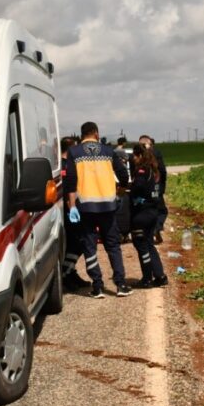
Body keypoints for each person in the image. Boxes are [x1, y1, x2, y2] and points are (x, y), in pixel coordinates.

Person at [64, 122, 131, 298]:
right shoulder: (108, 151)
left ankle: (98, 286)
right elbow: (123, 173)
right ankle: (121, 284)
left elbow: (70, 181)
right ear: (96, 133)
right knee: (113, 245)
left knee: (89, 245)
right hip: (108, 206)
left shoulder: (74, 152)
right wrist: (121, 190)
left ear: (82, 135)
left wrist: (72, 206)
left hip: (85, 206)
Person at [129, 144, 168, 287]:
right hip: (152, 212)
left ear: (139, 156)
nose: (133, 159)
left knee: (141, 245)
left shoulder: (141, 170)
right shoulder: (152, 169)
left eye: (134, 156)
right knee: (149, 244)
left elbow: (138, 187)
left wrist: (130, 190)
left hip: (142, 214)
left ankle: (147, 278)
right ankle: (160, 275)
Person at [59, 136, 88, 291]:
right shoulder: (63, 166)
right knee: (77, 243)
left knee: (76, 242)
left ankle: (70, 272)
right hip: (68, 210)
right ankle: (65, 273)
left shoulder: (68, 164)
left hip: (72, 208)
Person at [138, 135, 168, 243]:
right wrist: (162, 187)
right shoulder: (156, 153)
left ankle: (146, 232)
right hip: (155, 186)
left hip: (142, 187)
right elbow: (162, 171)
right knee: (162, 211)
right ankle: (156, 228)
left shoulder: (137, 155)